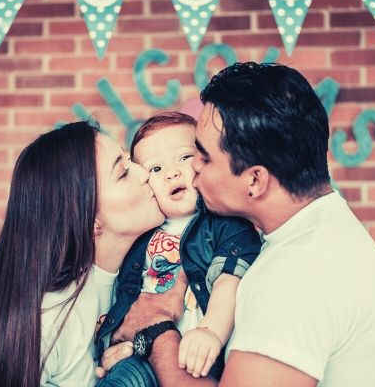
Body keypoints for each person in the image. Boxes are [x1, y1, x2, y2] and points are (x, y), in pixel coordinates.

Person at [99, 62, 375, 387]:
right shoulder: (323, 229)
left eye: (203, 157)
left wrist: (155, 330)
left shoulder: (295, 276)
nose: (193, 168)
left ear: (255, 180)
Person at [0, 121, 165, 387]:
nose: (144, 173)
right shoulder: (46, 319)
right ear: (89, 218)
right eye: (122, 172)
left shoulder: (153, 265)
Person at [94, 112, 261, 382]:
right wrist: (112, 345)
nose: (172, 173)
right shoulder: (140, 234)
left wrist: (211, 331)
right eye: (155, 169)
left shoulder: (223, 225)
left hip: (198, 355)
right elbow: (125, 299)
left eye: (184, 158)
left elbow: (229, 282)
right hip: (140, 355)